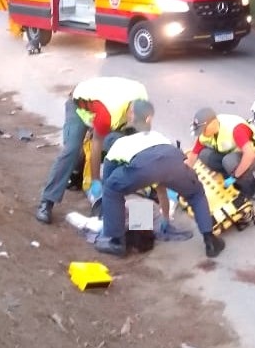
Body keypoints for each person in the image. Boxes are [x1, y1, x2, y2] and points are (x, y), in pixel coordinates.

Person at [94, 100, 225, 259]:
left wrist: (105, 203)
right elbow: (162, 183)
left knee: (111, 190)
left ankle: (116, 242)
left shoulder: (118, 146)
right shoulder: (153, 135)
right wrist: (165, 219)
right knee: (196, 194)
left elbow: (108, 184)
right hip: (174, 159)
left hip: (142, 180)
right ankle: (209, 240)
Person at [35, 76, 149, 224]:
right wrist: (96, 181)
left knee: (125, 145)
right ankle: (47, 201)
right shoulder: (108, 113)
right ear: (130, 113)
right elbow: (97, 144)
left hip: (103, 100)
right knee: (72, 149)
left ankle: (136, 213)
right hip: (79, 104)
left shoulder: (142, 97)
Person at [185, 107, 255, 198]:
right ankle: (231, 178)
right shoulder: (206, 133)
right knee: (204, 155)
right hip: (231, 153)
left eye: (203, 130)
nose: (202, 133)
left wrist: (235, 176)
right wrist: (181, 175)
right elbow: (193, 155)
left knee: (229, 161)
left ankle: (250, 187)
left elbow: (250, 155)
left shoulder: (235, 128)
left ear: (213, 123)